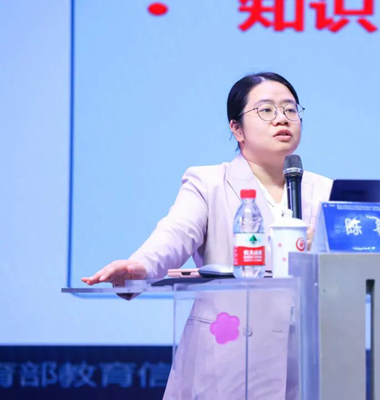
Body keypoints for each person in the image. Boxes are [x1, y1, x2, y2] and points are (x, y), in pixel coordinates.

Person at [82, 72, 333, 399]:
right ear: (237, 129)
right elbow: (175, 232)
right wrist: (140, 266)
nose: (282, 118)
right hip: (227, 359)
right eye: (266, 110)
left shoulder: (324, 189)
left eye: (290, 109)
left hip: (301, 361)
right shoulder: (209, 182)